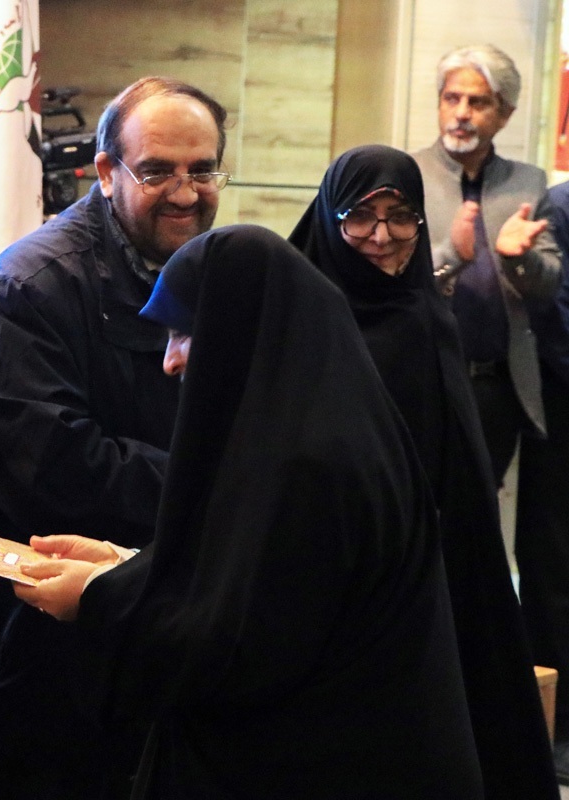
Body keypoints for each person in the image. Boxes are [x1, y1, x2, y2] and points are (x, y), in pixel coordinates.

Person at [14, 225, 484, 800]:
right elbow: (249, 584)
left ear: (241, 331)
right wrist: (127, 565)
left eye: (185, 332)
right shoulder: (317, 433)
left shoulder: (312, 466)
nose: (170, 361)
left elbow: (237, 650)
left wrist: (97, 598)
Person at [0, 76, 229, 800]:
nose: (185, 193)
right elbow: (58, 470)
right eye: (158, 171)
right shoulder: (29, 287)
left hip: (150, 630)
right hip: (45, 660)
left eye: (202, 170)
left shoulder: (209, 273)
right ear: (106, 171)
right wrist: (217, 487)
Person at [289, 144, 558, 799]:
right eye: (361, 216)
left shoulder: (426, 318)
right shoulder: (299, 319)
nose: (381, 237)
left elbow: (454, 468)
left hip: (421, 572)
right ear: (330, 215)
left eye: (401, 216)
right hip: (324, 576)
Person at [412, 44, 562, 484]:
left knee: (478, 508)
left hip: (495, 387)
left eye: (478, 102)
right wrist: (451, 256)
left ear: (505, 114)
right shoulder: (406, 174)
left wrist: (520, 258)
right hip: (422, 379)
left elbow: (549, 283)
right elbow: (387, 279)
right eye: (451, 98)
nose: (461, 113)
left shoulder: (528, 183)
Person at [526, 179, 569, 780]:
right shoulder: (559, 205)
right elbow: (554, 311)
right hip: (560, 411)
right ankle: (557, 730)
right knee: (555, 568)